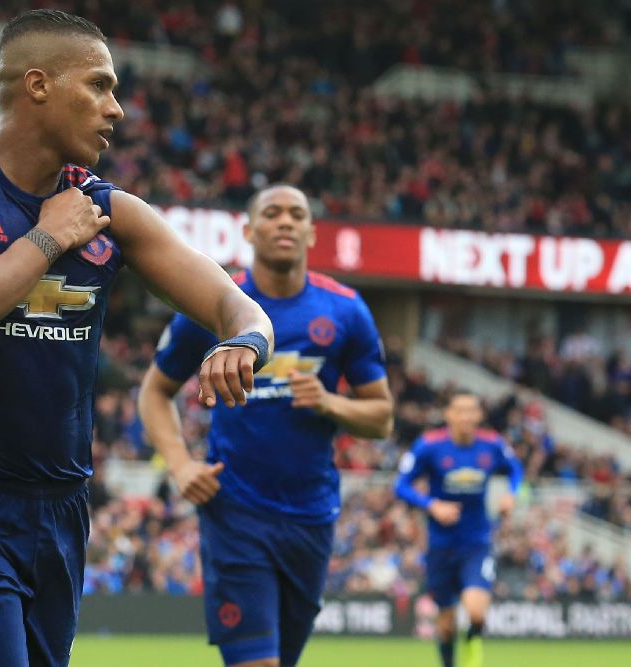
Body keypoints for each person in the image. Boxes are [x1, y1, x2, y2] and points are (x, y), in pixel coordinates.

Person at [0, 9, 274, 667]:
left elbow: (239, 305)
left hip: (60, 512)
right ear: (38, 85)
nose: (116, 109)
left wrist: (243, 342)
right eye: (99, 86)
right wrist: (48, 237)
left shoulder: (109, 210)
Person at [138, 184, 394, 667]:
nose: (285, 222)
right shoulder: (216, 303)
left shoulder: (345, 311)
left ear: (311, 232)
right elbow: (154, 392)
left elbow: (381, 417)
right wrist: (180, 464)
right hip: (235, 511)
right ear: (249, 230)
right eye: (272, 213)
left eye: (297, 214)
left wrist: (331, 404)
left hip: (311, 517)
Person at [395, 390, 523, 667]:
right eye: (460, 410)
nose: (466, 416)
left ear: (479, 415)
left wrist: (511, 494)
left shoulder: (493, 445)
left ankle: (473, 650)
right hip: (440, 545)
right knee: (446, 623)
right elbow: (401, 485)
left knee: (476, 611)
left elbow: (516, 469)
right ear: (448, 414)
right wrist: (431, 505)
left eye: (471, 410)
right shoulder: (428, 445)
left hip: (477, 542)